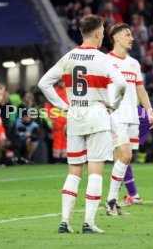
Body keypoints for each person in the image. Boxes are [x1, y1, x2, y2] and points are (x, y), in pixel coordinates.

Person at [38, 14, 126, 234]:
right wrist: (113, 104)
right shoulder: (103, 58)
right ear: (97, 33)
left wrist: (64, 106)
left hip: (75, 117)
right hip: (97, 115)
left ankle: (65, 222)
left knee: (73, 172)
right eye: (103, 32)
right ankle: (88, 222)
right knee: (95, 171)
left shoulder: (68, 57)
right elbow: (121, 83)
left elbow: (43, 83)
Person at [105, 23, 153, 215]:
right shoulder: (105, 61)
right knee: (125, 156)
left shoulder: (134, 63)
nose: (131, 38)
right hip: (115, 115)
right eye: (127, 34)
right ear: (116, 37)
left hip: (132, 116)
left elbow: (140, 89)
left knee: (121, 159)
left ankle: (113, 202)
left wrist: (149, 111)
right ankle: (111, 200)